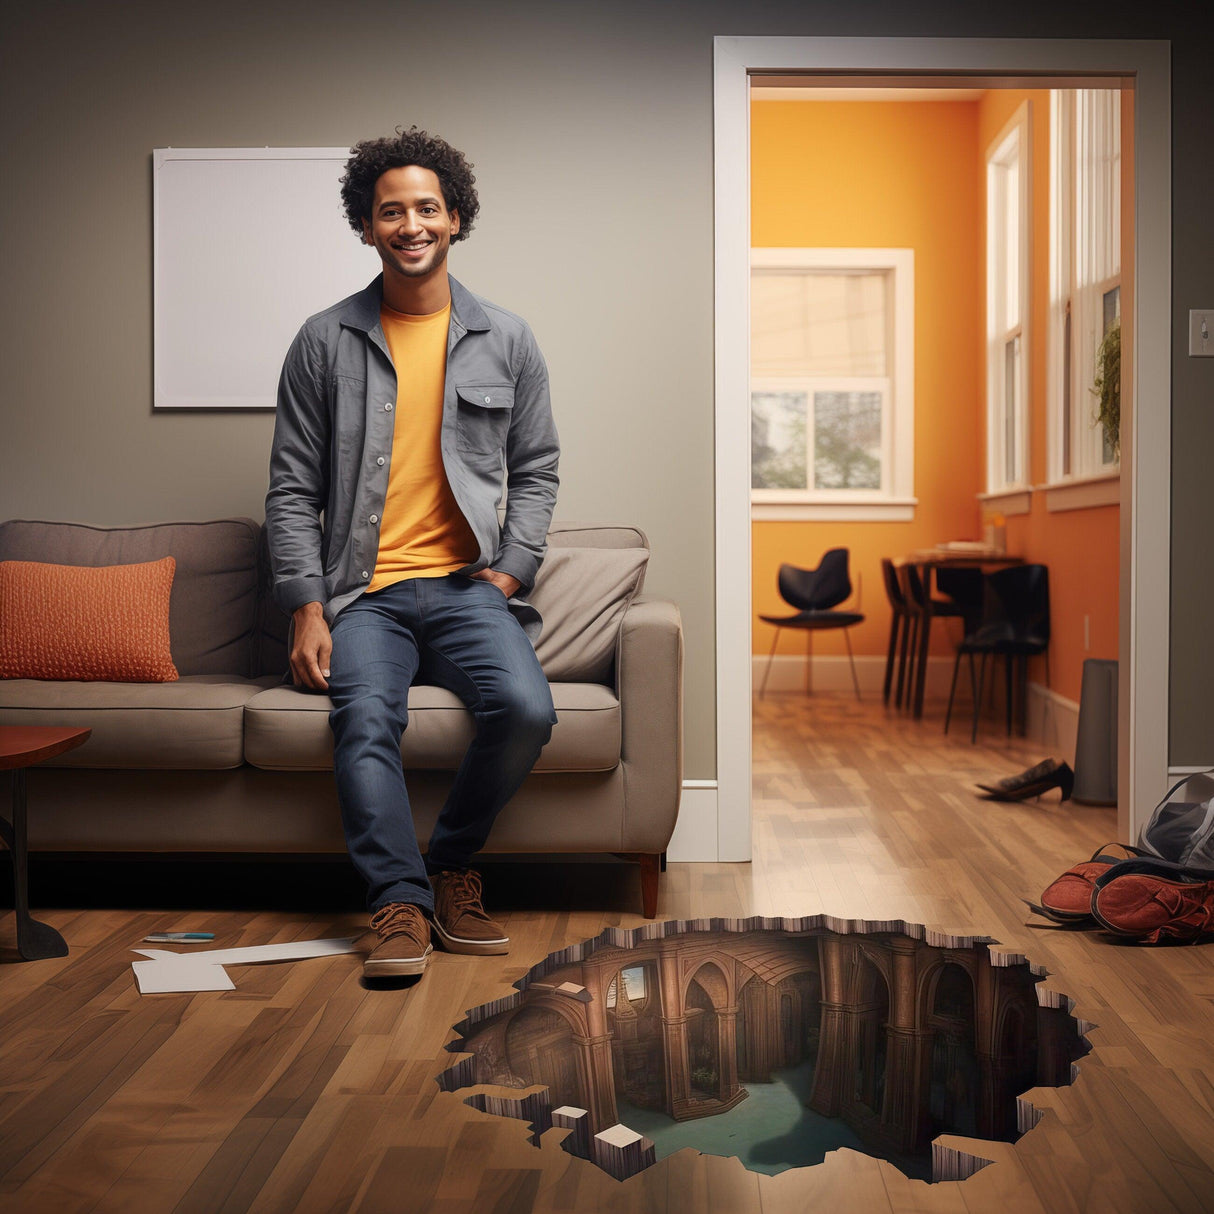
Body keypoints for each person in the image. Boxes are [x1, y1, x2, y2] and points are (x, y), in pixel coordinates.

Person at [265, 126, 559, 979]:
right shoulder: (323, 341)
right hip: (364, 595)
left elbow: (536, 468)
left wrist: (510, 570)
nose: (411, 224)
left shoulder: (507, 338)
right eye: (390, 210)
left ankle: (451, 867)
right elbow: (291, 490)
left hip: (470, 588)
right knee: (363, 721)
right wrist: (307, 608)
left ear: (456, 218)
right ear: (366, 227)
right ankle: (397, 904)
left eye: (427, 207)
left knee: (528, 710)